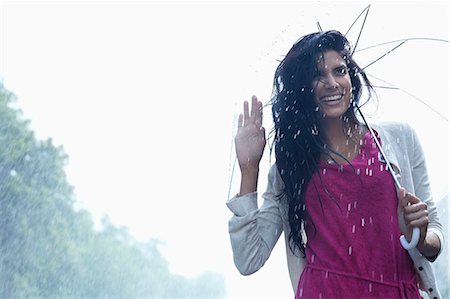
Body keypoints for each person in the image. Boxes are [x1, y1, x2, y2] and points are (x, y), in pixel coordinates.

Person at [227, 30, 444, 298]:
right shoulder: (292, 167)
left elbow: (433, 235)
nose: (331, 82)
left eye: (339, 71)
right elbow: (249, 258)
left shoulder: (399, 139)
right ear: (302, 88)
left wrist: (420, 237)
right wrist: (249, 169)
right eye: (318, 75)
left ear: (351, 78)